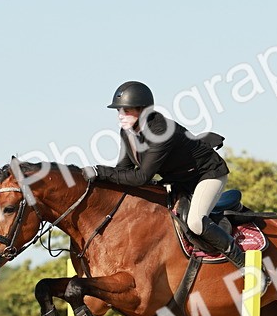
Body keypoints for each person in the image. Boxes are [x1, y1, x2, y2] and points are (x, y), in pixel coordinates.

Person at [83, 81, 259, 281]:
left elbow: (142, 177)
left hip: (207, 174)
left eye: (126, 110)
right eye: (119, 111)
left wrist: (99, 171)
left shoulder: (160, 132)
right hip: (179, 179)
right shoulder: (127, 132)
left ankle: (248, 267)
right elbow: (123, 171)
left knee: (194, 222)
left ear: (142, 111)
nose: (120, 116)